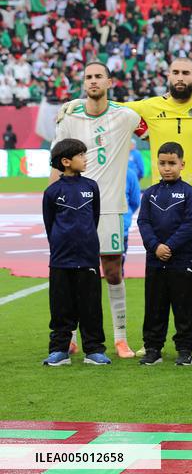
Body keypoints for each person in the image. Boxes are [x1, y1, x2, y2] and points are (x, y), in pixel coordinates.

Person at [57, 56, 192, 357]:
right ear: (167, 75)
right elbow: (108, 105)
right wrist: (73, 103)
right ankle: (154, 343)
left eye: (186, 72)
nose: (179, 77)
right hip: (161, 203)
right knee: (161, 272)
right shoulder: (148, 107)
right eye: (175, 72)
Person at [51, 62, 141, 358]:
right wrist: (54, 203)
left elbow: (151, 125)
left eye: (98, 76)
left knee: (113, 271)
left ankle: (120, 338)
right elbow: (56, 164)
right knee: (73, 273)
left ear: (109, 81)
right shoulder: (68, 116)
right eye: (88, 77)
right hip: (73, 210)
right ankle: (70, 338)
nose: (92, 81)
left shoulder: (126, 115)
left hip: (111, 208)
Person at [42, 138, 108, 366]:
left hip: (88, 257)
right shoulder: (52, 191)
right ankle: (59, 349)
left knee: (91, 306)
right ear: (66, 161)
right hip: (61, 260)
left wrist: (86, 242)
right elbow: (49, 224)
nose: (85, 159)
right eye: (81, 155)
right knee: (61, 307)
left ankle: (94, 350)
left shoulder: (91, 187)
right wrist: (62, 245)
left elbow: (94, 218)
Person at [136, 142, 192, 366]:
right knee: (154, 307)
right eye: (162, 163)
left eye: (172, 163)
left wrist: (170, 246)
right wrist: (155, 246)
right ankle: (153, 349)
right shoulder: (150, 194)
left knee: (184, 308)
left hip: (181, 261)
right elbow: (143, 221)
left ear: (182, 164)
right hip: (155, 261)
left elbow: (190, 224)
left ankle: (185, 349)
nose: (167, 168)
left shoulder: (189, 193)